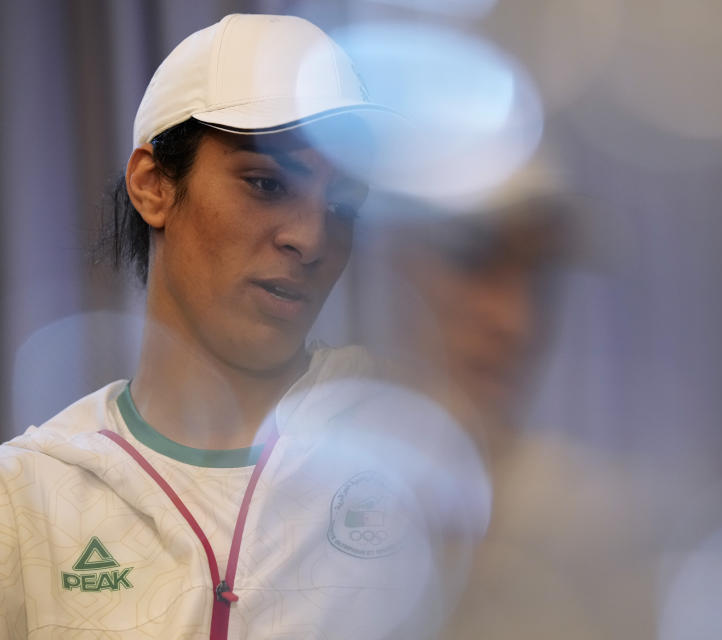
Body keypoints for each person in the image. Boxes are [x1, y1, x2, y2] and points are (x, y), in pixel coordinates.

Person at [0, 13, 475, 639]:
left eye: (343, 206)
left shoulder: (412, 450)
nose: (310, 239)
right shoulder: (28, 497)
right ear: (153, 186)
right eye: (266, 183)